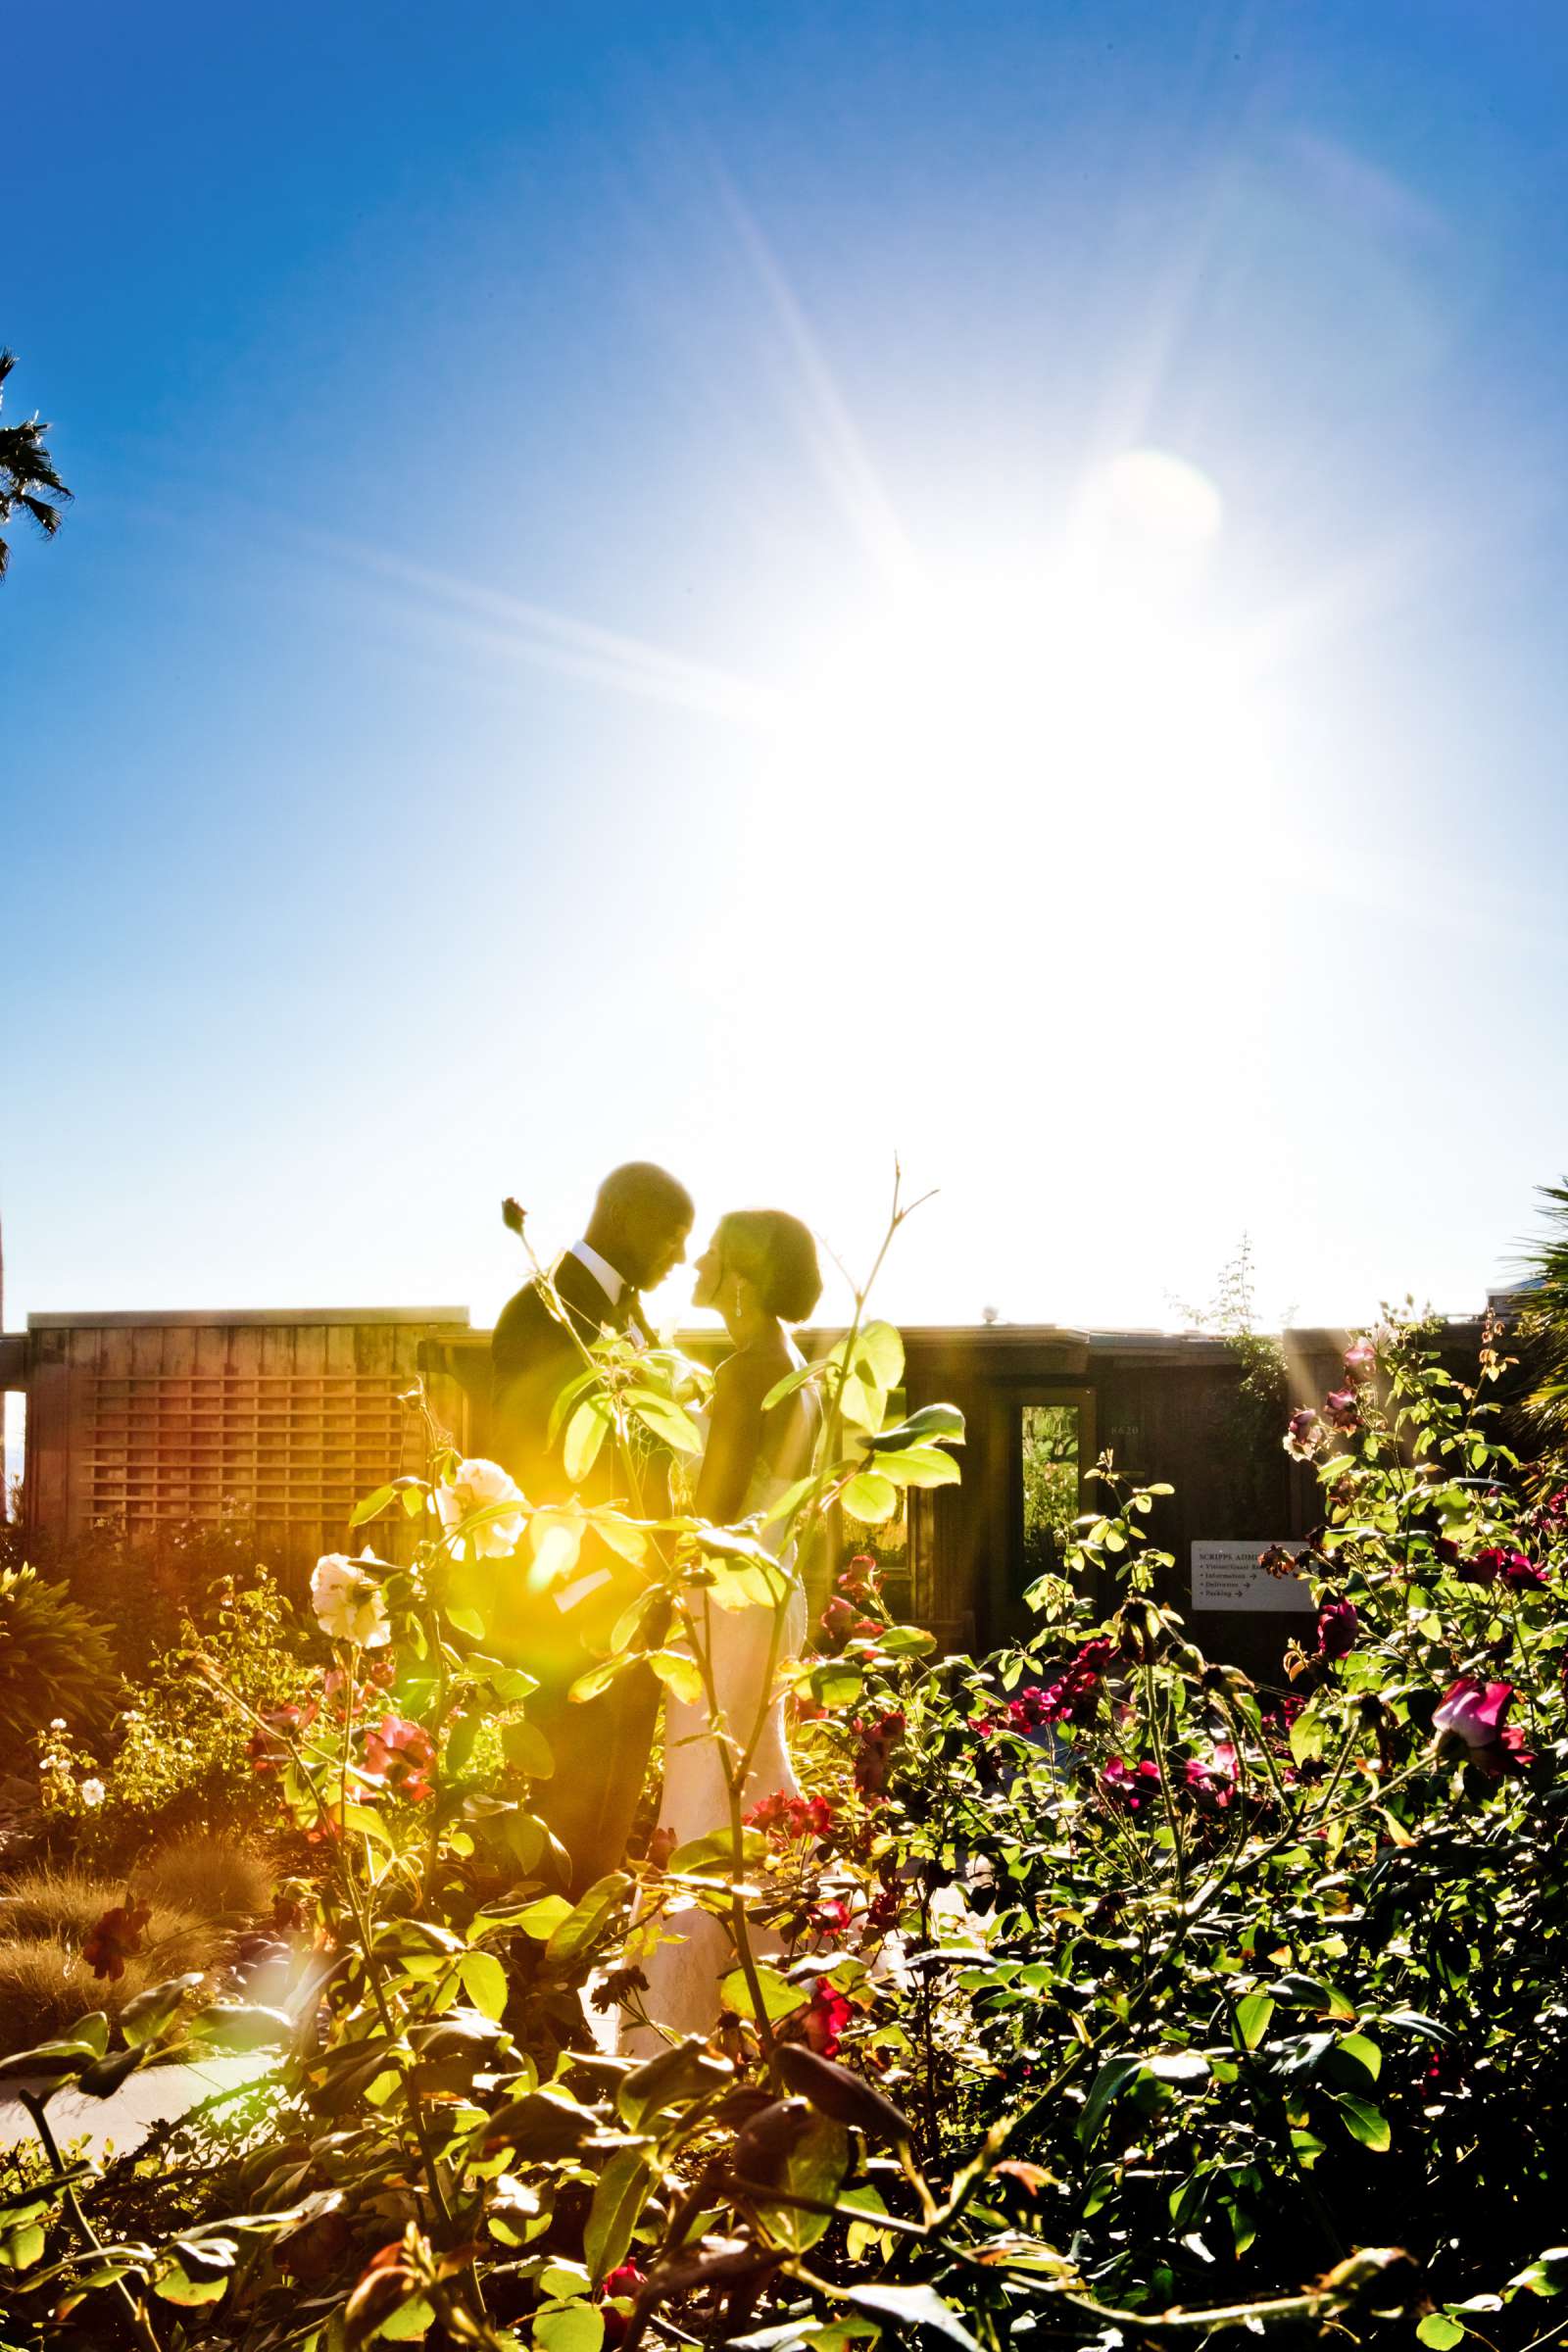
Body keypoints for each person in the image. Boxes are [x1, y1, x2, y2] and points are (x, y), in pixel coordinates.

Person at [623, 1206, 823, 2048]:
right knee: (752, 1776)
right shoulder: (792, 1369)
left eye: (712, 1251)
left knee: (705, 1785)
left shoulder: (749, 1371)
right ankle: (778, 1972)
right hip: (767, 1589)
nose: (697, 1259)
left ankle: (672, 2021)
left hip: (724, 1594)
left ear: (740, 1275)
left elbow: (710, 1510)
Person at [488, 1162, 694, 1896]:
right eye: (673, 1238)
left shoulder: (632, 1318)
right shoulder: (542, 1313)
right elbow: (530, 1465)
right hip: (573, 1608)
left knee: (614, 1797)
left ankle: (582, 1950)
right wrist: (590, 1592)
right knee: (570, 1798)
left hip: (641, 1600)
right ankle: (541, 1971)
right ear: (628, 1220)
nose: (680, 1257)